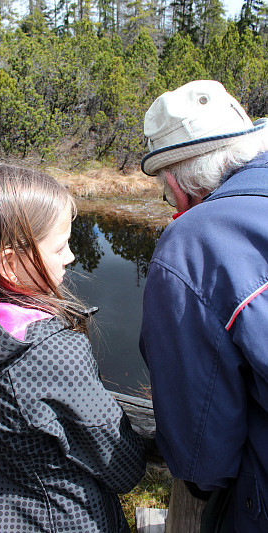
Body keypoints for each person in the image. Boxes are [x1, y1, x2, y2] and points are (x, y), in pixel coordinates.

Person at [0, 162, 146, 532]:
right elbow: (120, 464)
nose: (71, 256)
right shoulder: (51, 353)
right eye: (61, 246)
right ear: (9, 263)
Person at [139, 80, 268, 532]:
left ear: (175, 181)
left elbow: (201, 454)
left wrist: (198, 484)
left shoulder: (191, 247)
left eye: (164, 193)